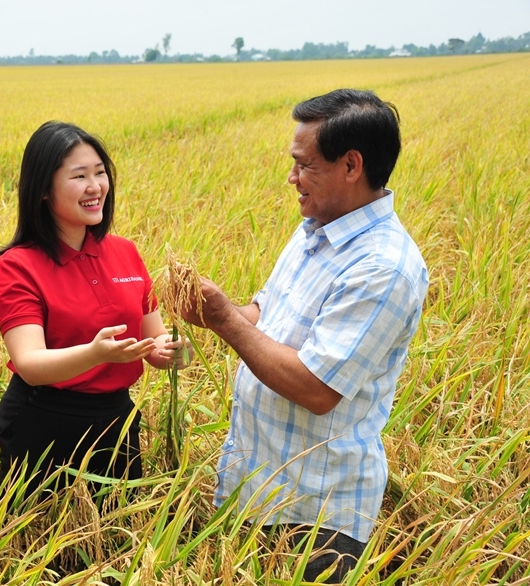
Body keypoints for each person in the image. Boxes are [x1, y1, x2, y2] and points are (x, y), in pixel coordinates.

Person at [173, 89, 428, 582]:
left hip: (316, 514)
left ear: (351, 165)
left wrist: (226, 319)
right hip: (256, 489)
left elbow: (316, 388)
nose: (292, 178)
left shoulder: (383, 268)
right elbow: (264, 312)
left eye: (304, 165)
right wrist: (216, 313)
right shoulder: (315, 228)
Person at [0, 120, 190, 503]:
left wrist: (172, 351)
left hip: (115, 419)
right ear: (44, 190)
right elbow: (30, 362)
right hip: (43, 419)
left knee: (113, 536)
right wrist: (96, 354)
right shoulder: (18, 266)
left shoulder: (125, 252)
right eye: (79, 176)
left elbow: (156, 336)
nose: (95, 186)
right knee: (36, 543)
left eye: (100, 173)